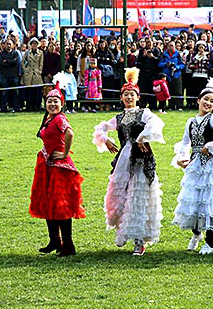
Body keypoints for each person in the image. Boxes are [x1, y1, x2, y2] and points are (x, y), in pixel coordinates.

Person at [93, 68, 165, 256]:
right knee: (122, 195)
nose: (128, 97)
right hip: (123, 160)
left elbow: (156, 123)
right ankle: (123, 230)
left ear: (137, 97)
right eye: (125, 94)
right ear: (121, 97)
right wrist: (106, 139)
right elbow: (101, 127)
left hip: (141, 159)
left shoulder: (144, 113)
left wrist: (142, 138)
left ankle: (139, 241)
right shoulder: (119, 117)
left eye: (132, 94)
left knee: (138, 197)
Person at [171, 78, 213, 255]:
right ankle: (196, 233)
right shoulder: (190, 121)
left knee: (210, 202)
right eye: (206, 99)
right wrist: (181, 157)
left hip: (212, 165)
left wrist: (210, 147)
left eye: (212, 101)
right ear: (198, 100)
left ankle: (210, 242)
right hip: (195, 165)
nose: (208, 103)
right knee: (193, 201)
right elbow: (185, 142)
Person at [30, 75, 85, 257]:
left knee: (60, 206)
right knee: (49, 203)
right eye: (49, 101)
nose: (52, 104)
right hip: (47, 166)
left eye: (56, 101)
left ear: (62, 103)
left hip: (59, 168)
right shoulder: (49, 118)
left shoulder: (60, 119)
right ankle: (55, 240)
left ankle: (68, 245)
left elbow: (70, 133)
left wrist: (64, 152)